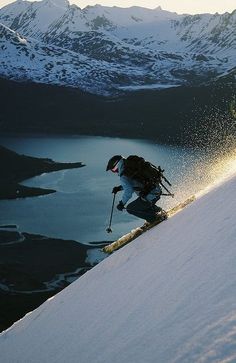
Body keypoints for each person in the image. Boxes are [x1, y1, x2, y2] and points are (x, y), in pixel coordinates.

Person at [106, 155, 167, 224]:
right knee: (142, 203)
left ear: (117, 165)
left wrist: (122, 203)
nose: (115, 172)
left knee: (130, 209)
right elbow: (134, 183)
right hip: (156, 190)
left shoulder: (124, 175)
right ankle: (159, 212)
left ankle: (154, 218)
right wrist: (119, 188)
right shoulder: (131, 168)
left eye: (113, 170)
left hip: (150, 195)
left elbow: (129, 191)